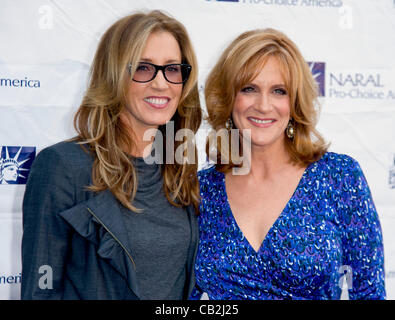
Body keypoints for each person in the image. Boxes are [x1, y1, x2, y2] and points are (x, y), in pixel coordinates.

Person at [191, 28, 385, 300]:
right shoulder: (202, 190)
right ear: (228, 97)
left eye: (278, 91)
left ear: (294, 102)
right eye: (249, 89)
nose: (263, 105)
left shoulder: (338, 176)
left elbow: (367, 292)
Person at [21, 10, 202, 300]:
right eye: (143, 68)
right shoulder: (62, 166)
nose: (161, 83)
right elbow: (40, 289)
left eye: (172, 69)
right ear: (114, 74)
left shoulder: (180, 172)